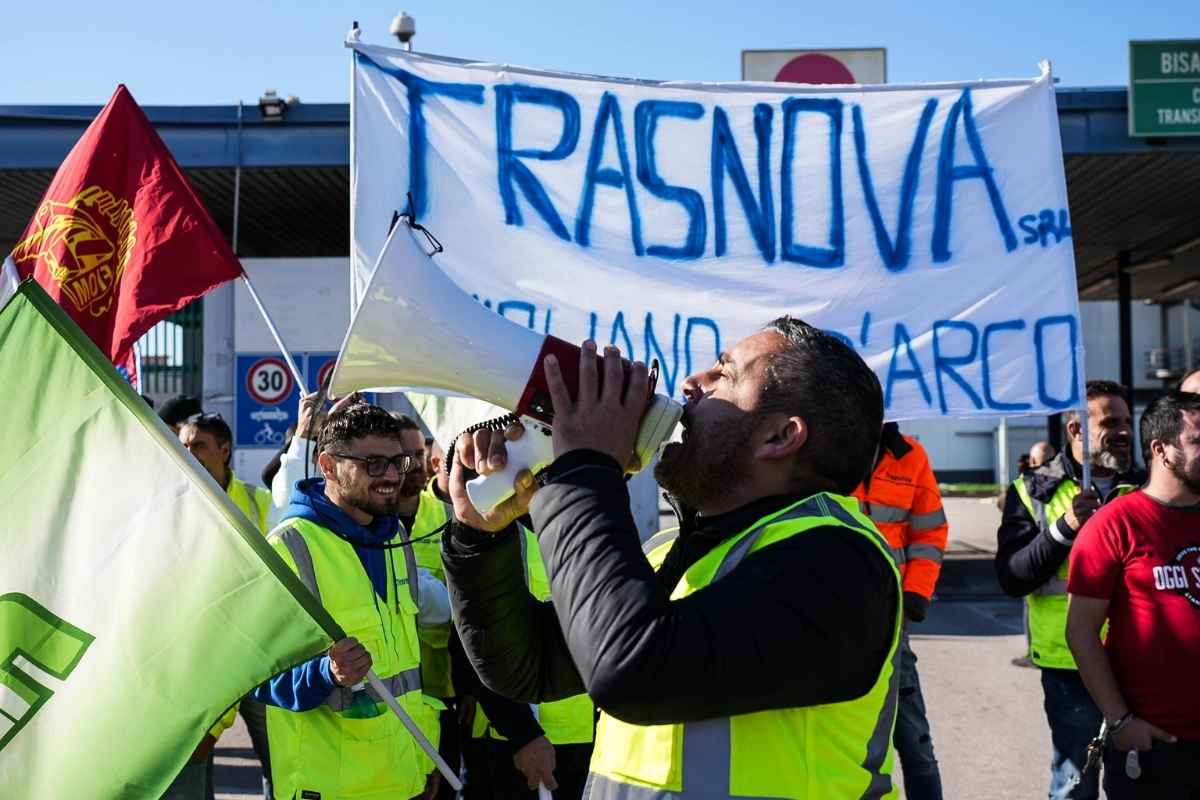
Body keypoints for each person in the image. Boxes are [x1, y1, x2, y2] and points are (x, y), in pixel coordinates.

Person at [443, 319, 902, 798]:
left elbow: (633, 670)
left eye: (722, 374)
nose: (691, 383)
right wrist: (480, 536)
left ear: (780, 436)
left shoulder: (838, 563)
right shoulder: (671, 549)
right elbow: (527, 666)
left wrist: (584, 465)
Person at [254, 401, 449, 800]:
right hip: (331, 788)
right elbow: (253, 677)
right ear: (327, 466)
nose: (391, 476)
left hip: (407, 776)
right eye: (374, 464)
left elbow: (404, 669)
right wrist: (326, 673)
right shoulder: (290, 547)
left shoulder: (395, 539)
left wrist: (420, 760)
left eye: (398, 462)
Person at [994, 380, 1143, 799]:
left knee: (1138, 779)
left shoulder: (1148, 486)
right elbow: (1011, 576)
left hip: (1139, 657)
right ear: (1076, 430)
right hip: (1069, 665)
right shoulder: (1033, 489)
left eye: (1128, 421)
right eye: (1111, 421)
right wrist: (1064, 530)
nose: (1125, 431)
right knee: (1074, 783)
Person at [1065, 390, 1200, 798]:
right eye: (1198, 441)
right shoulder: (1114, 525)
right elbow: (1081, 633)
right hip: (1156, 750)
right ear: (1161, 450)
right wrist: (1120, 721)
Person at [169, 412, 274, 799]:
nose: (189, 454)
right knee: (194, 764)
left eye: (198, 445)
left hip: (261, 660)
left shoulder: (259, 502)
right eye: (183, 446)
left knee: (280, 760)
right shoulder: (170, 506)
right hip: (200, 660)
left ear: (224, 450)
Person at [852, 423, 947, 800]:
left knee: (914, 738)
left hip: (893, 620)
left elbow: (930, 532)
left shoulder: (911, 456)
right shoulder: (822, 445)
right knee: (849, 738)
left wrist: (915, 598)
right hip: (833, 614)